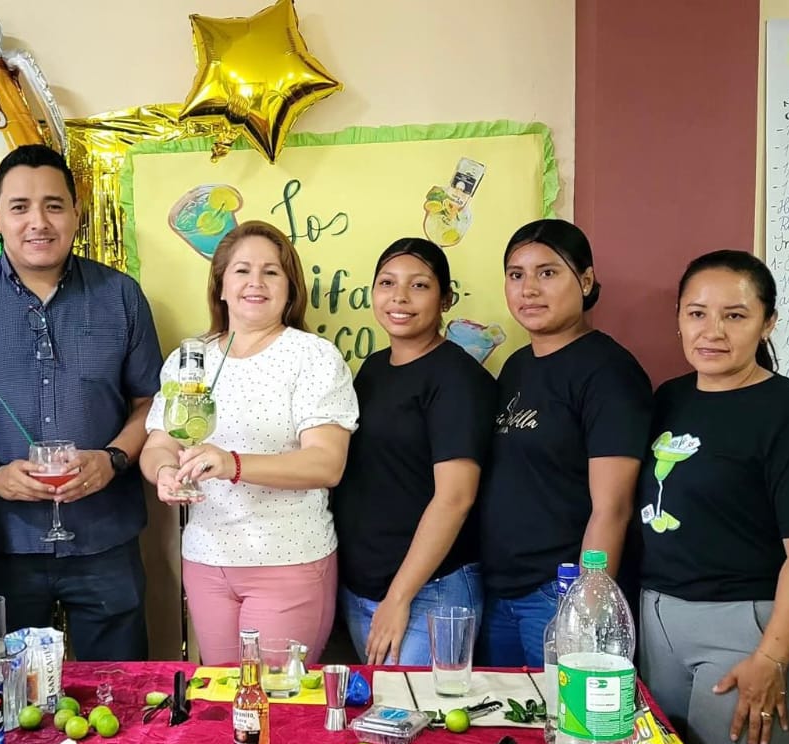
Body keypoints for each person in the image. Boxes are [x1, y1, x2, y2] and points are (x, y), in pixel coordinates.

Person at [0, 144, 161, 660]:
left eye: (53, 205)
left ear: (76, 212)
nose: (38, 222)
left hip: (104, 538)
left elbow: (150, 403)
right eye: (20, 207)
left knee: (120, 690)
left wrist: (113, 459)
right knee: (5, 693)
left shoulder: (120, 296)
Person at [635, 250, 789, 744]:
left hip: (749, 631)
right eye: (697, 313)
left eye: (734, 315)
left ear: (768, 322)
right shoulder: (668, 398)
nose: (713, 331)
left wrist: (771, 658)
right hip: (658, 623)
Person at [140, 221, 358, 665]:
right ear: (221, 285)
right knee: (222, 697)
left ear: (290, 289)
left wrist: (232, 463)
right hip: (207, 560)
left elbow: (326, 463)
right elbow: (158, 443)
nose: (255, 282)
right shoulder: (191, 358)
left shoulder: (313, 357)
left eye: (271, 272)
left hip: (287, 561)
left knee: (274, 699)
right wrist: (163, 472)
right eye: (242, 271)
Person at [477, 220, 651, 668]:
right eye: (516, 275)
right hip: (499, 592)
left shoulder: (608, 372)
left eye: (548, 273)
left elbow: (613, 507)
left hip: (559, 595)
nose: (529, 289)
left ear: (586, 281)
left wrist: (585, 611)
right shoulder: (516, 366)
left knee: (562, 713)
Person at [332, 238, 494, 665]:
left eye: (419, 285)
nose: (399, 297)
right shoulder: (373, 369)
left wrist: (399, 597)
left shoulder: (457, 378)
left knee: (418, 707)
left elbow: (455, 497)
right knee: (378, 706)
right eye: (387, 283)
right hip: (364, 588)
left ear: (446, 299)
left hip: (429, 591)